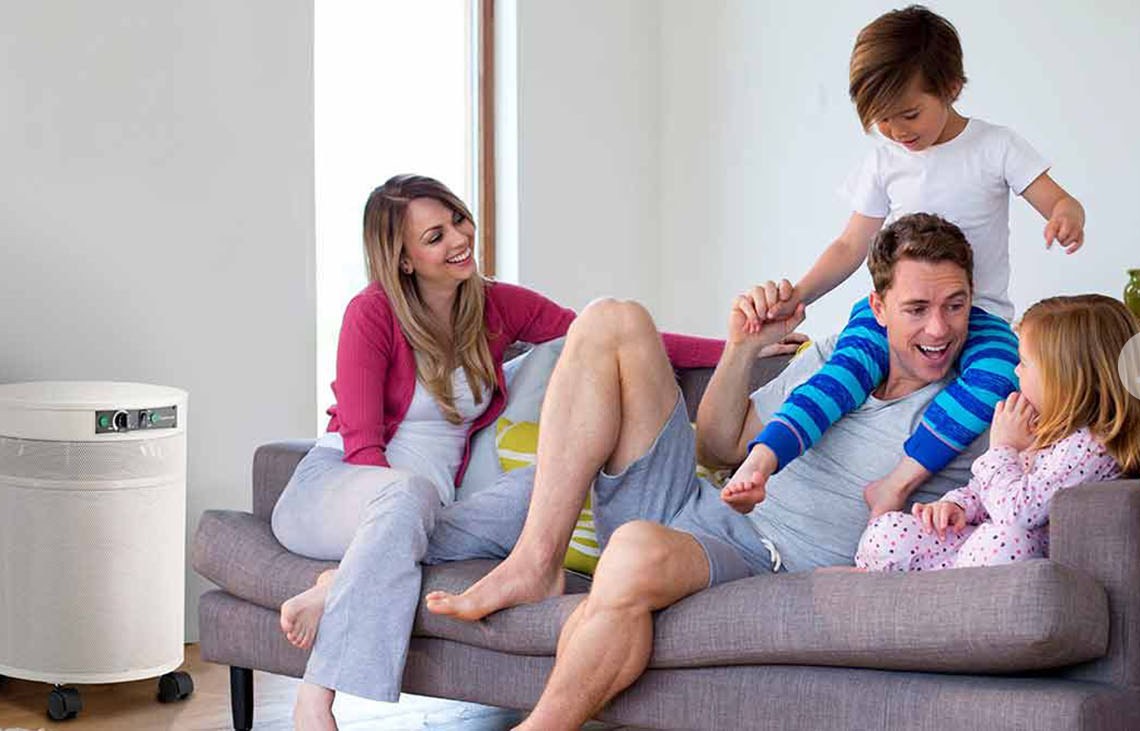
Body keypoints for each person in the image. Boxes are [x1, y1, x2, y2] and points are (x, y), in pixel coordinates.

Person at [426, 213, 1140, 730]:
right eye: (917, 308)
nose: (940, 328)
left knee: (631, 553)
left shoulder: (984, 396)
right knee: (610, 317)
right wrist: (743, 348)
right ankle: (535, 560)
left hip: (764, 550)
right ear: (878, 305)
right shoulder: (839, 359)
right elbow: (722, 442)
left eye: (956, 304)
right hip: (701, 498)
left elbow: (1095, 413)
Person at [268, 174, 771, 730]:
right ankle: (316, 697)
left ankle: (339, 584)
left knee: (551, 484)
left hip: (436, 510)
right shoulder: (371, 313)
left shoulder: (494, 305)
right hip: (340, 492)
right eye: (434, 237)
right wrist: (393, 526)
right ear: (404, 260)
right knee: (404, 496)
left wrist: (741, 347)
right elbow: (364, 448)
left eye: (457, 220)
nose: (458, 239)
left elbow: (608, 339)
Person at [736, 5, 1088, 521]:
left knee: (997, 375)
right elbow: (849, 246)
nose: (897, 130)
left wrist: (1065, 216)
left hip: (978, 314)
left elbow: (1059, 199)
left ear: (951, 88)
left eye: (909, 114)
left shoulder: (995, 147)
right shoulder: (885, 161)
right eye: (881, 119)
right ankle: (762, 459)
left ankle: (896, 483)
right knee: (844, 371)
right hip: (899, 311)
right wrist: (799, 296)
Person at [855, 294, 1140, 571]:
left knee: (1003, 538)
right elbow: (985, 489)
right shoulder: (1042, 424)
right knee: (888, 530)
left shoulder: (1090, 447)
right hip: (976, 548)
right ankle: (907, 582)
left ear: (1065, 379)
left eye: (1024, 363)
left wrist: (1003, 448)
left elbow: (1016, 514)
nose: (1015, 370)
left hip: (1012, 553)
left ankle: (936, 592)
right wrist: (957, 506)